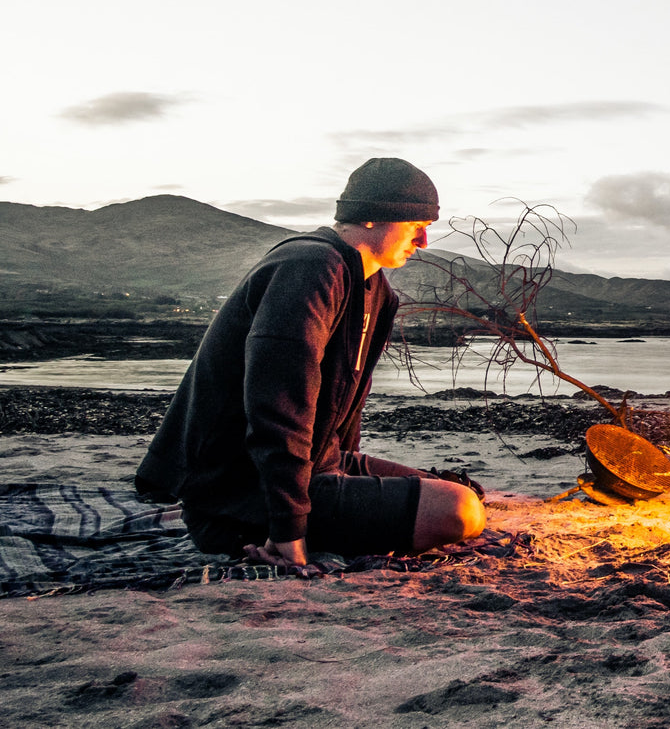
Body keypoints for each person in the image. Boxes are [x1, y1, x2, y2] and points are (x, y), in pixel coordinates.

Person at [136, 158, 485, 570]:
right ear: (373, 217)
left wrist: (346, 483)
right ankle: (274, 527)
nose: (425, 240)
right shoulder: (309, 268)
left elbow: (344, 411)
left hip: (320, 465)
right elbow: (277, 408)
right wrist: (288, 530)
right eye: (415, 225)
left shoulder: (375, 290)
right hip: (237, 495)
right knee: (457, 510)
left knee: (463, 492)